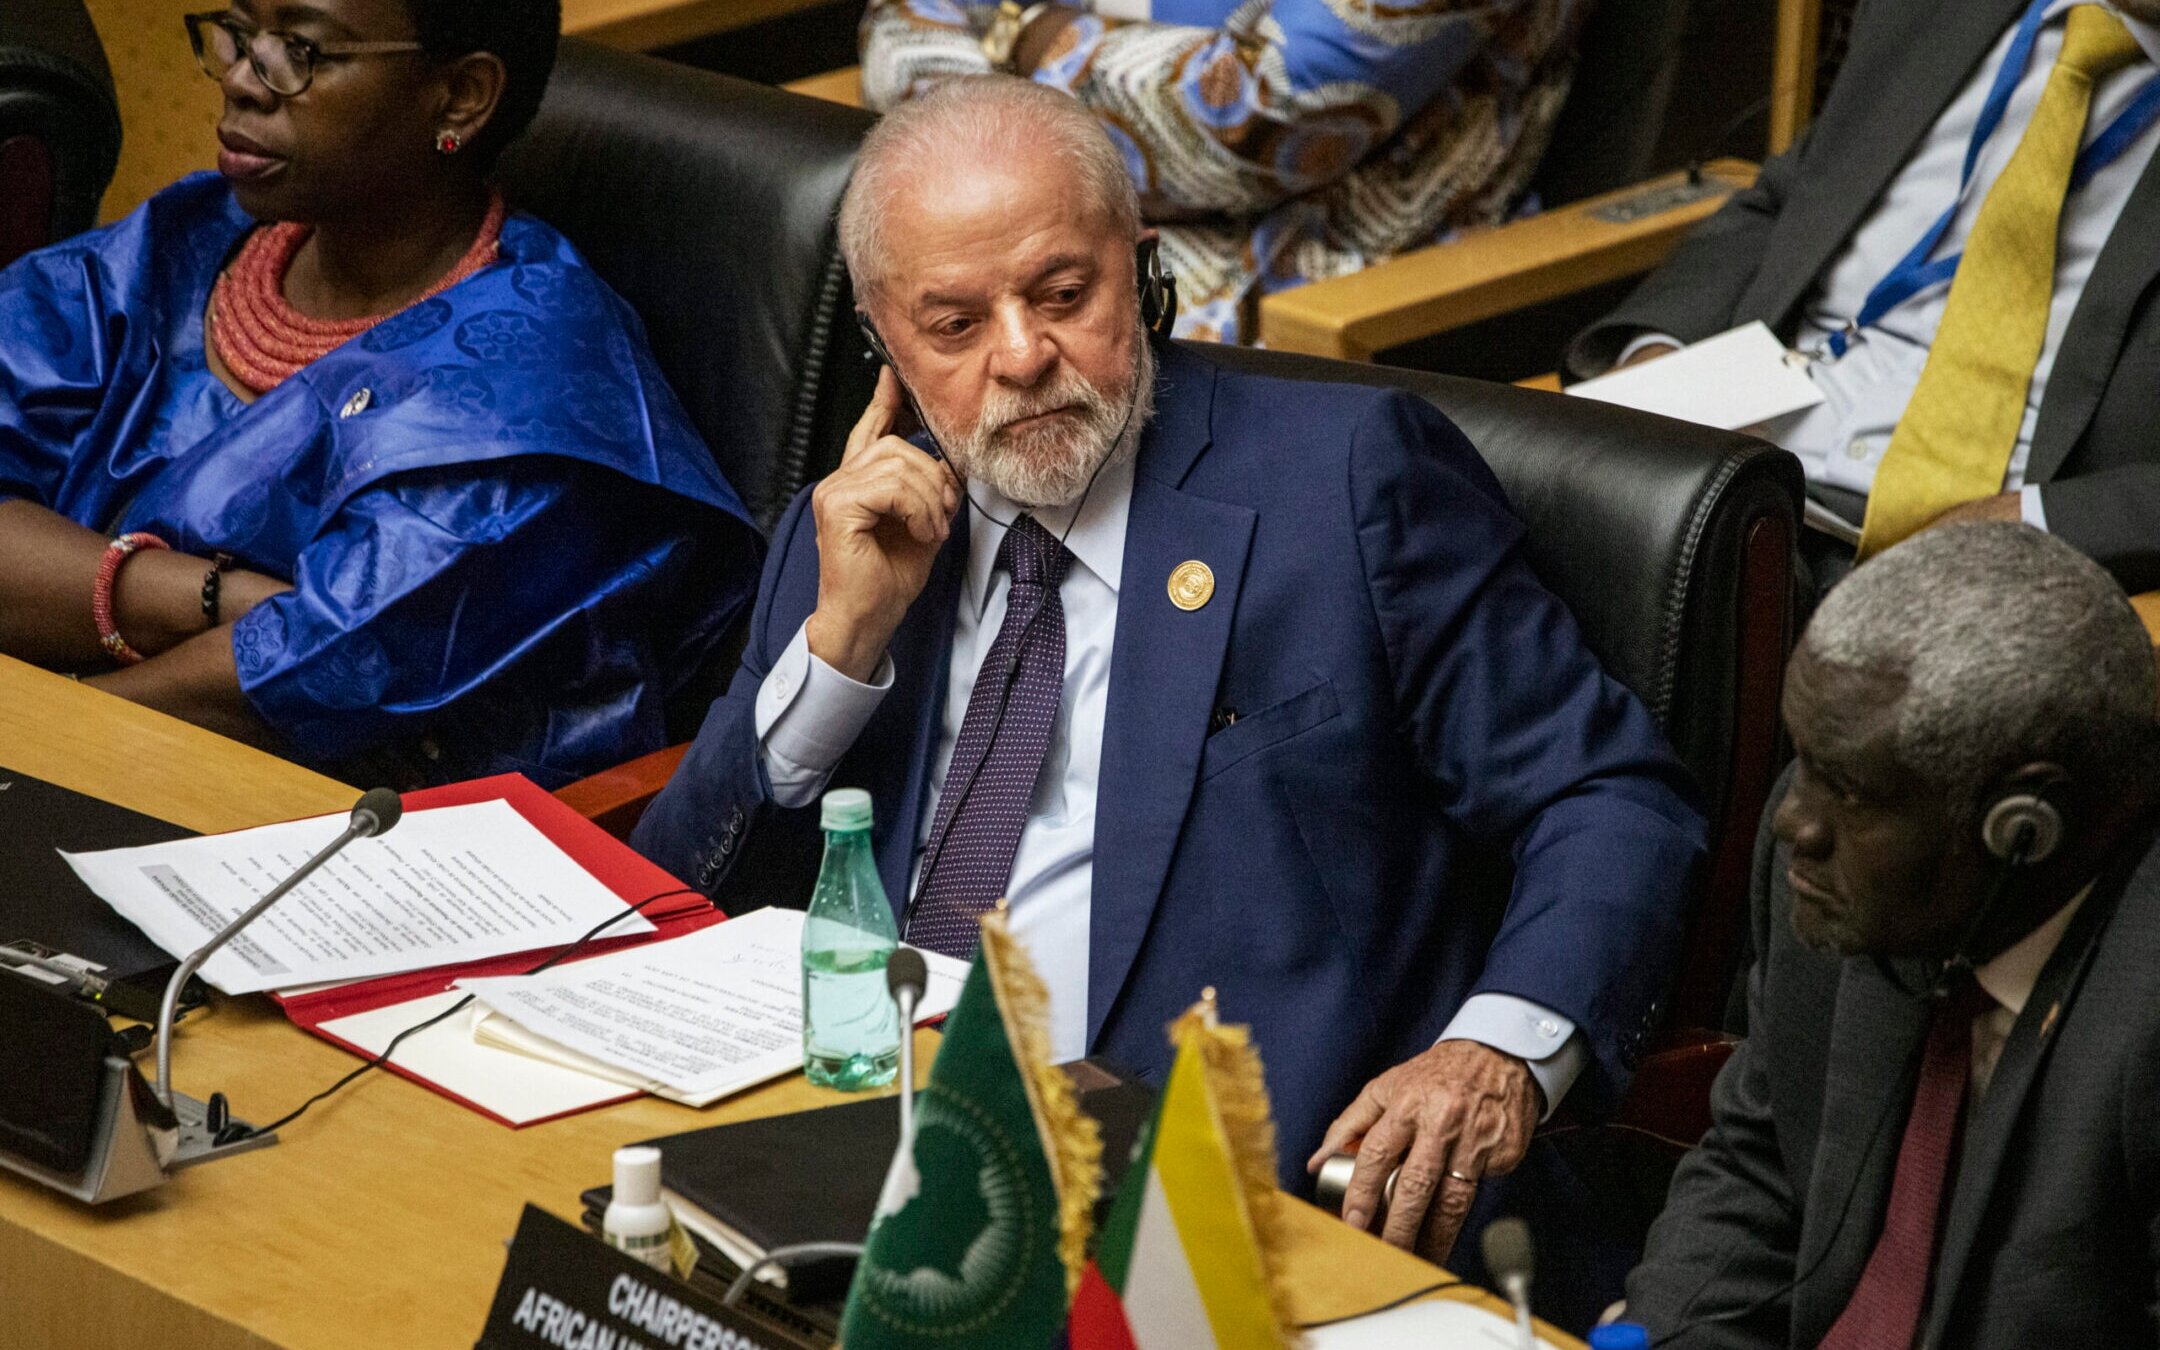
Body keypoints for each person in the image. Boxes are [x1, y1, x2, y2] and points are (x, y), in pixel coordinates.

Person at [632, 75, 1704, 1263]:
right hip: (856, 1160)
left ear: (1144, 275)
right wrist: (838, 650)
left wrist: (1495, 1052)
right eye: (956, 326)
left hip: (1209, 1209)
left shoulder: (1347, 484)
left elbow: (1609, 799)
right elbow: (673, 908)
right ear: (885, 344)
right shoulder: (847, 538)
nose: (1025, 356)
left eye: (1063, 294)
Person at [0, 0, 758, 788]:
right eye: (236, 30)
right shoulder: (183, 243)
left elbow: (296, 676)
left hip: (353, 851)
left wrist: (39, 723)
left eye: (298, 50)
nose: (239, 78)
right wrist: (194, 595)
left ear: (461, 95)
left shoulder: (527, 392)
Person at [1625, 522, 2160, 1349]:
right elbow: (1761, 1164)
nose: (1793, 823)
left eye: (1846, 789)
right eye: (1800, 761)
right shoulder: (1837, 873)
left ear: (2026, 824)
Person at [1569, 0, 2160, 596]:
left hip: (1975, 562)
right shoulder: (1937, 13)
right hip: (1737, 469)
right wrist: (1658, 356)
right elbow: (1784, 199)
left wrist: (2032, 523)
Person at [857, 0, 1588, 344]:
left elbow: (1238, 120)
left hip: (1309, 298)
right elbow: (904, 20)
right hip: (1028, 242)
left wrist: (1016, 26)